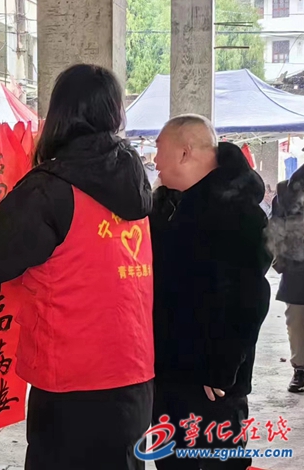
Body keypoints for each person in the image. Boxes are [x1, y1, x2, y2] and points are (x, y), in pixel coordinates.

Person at [0, 64, 155, 470]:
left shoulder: (53, 188)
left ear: (60, 114)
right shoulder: (135, 181)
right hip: (134, 373)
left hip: (72, 380)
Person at [151, 115, 272, 470]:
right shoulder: (168, 205)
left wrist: (221, 370)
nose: (154, 160)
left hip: (211, 383)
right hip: (169, 373)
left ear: (185, 152)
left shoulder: (236, 212)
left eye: (160, 150)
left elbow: (249, 298)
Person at [267, 164, 304, 393]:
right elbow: (275, 228)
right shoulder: (285, 191)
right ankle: (301, 369)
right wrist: (280, 261)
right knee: (297, 320)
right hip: (298, 268)